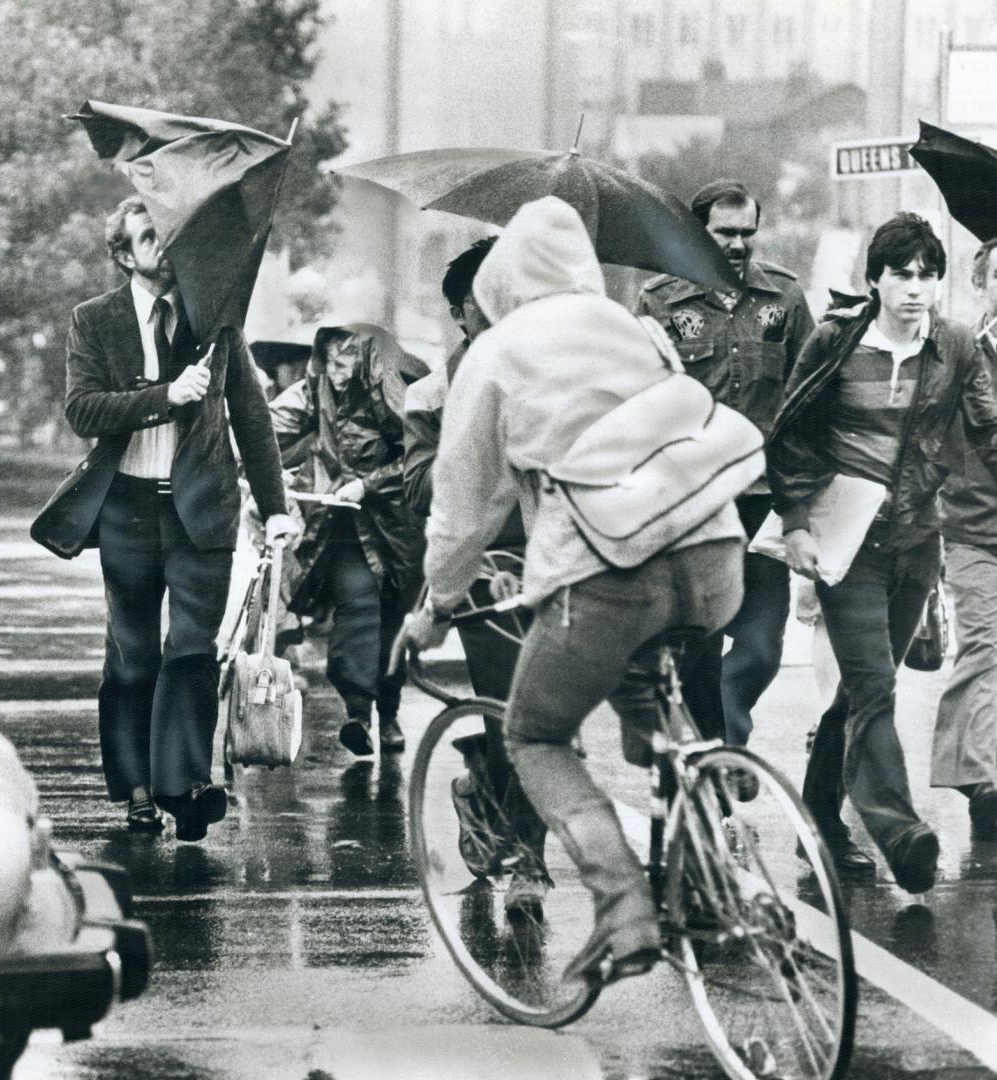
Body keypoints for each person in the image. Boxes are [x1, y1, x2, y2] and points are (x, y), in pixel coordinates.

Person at [400, 196, 746, 986]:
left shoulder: (494, 354)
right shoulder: (638, 329)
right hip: (715, 551)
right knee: (650, 701)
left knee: (536, 737)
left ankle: (626, 912)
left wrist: (433, 607)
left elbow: (463, 510)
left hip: (609, 568)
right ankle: (710, 865)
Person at [30, 195, 297, 840]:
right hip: (125, 507)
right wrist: (164, 398)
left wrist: (277, 507)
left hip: (201, 512)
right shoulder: (93, 321)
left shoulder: (216, 322)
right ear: (123, 253)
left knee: (192, 649)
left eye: (171, 235)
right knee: (134, 655)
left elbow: (253, 421)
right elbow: (83, 411)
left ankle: (184, 785)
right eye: (150, 237)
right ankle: (138, 789)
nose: (165, 247)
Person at [769, 212, 997, 891]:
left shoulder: (955, 346)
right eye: (901, 275)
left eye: (928, 276)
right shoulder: (836, 343)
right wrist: (796, 523)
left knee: (861, 692)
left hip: (916, 540)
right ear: (876, 279)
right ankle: (901, 833)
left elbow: (988, 428)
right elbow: (789, 436)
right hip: (848, 543)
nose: (916, 289)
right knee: (872, 684)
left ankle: (818, 818)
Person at [635, 179, 814, 747]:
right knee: (699, 648)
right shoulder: (659, 302)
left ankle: (728, 733)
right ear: (697, 231)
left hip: (765, 500)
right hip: (694, 503)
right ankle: (715, 759)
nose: (738, 245)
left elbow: (810, 393)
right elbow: (639, 400)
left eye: (747, 233)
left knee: (762, 647)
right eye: (724, 232)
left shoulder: (783, 299)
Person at [403, 237, 549, 917]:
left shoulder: (552, 371)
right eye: (486, 302)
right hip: (485, 569)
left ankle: (482, 786)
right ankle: (527, 857)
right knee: (518, 710)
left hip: (561, 559)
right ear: (462, 314)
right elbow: (414, 490)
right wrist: (468, 455)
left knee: (549, 714)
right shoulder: (437, 393)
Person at [269, 323, 425, 757]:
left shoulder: (391, 396)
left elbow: (415, 455)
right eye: (330, 361)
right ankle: (358, 711)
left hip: (393, 528)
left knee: (392, 619)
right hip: (341, 525)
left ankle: (388, 713)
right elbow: (280, 422)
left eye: (345, 362)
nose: (336, 372)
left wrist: (367, 486)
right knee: (356, 609)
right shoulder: (318, 388)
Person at [931, 237, 997, 838]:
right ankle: (984, 786)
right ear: (981, 285)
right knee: (984, 647)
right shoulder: (960, 354)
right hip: (977, 529)